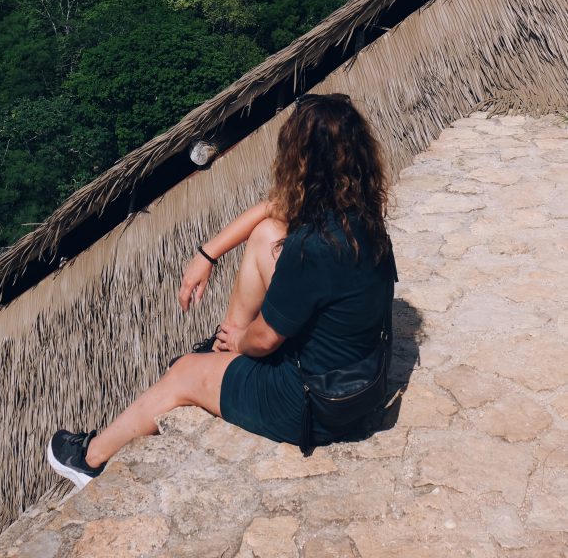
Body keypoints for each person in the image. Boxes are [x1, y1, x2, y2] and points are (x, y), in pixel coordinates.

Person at [47, 92, 395, 488]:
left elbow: (264, 341)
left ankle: (88, 460)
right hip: (360, 383)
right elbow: (273, 209)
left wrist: (243, 340)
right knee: (265, 235)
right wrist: (207, 255)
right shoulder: (360, 215)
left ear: (300, 163)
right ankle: (221, 354)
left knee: (182, 374)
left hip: (310, 403)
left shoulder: (309, 250)